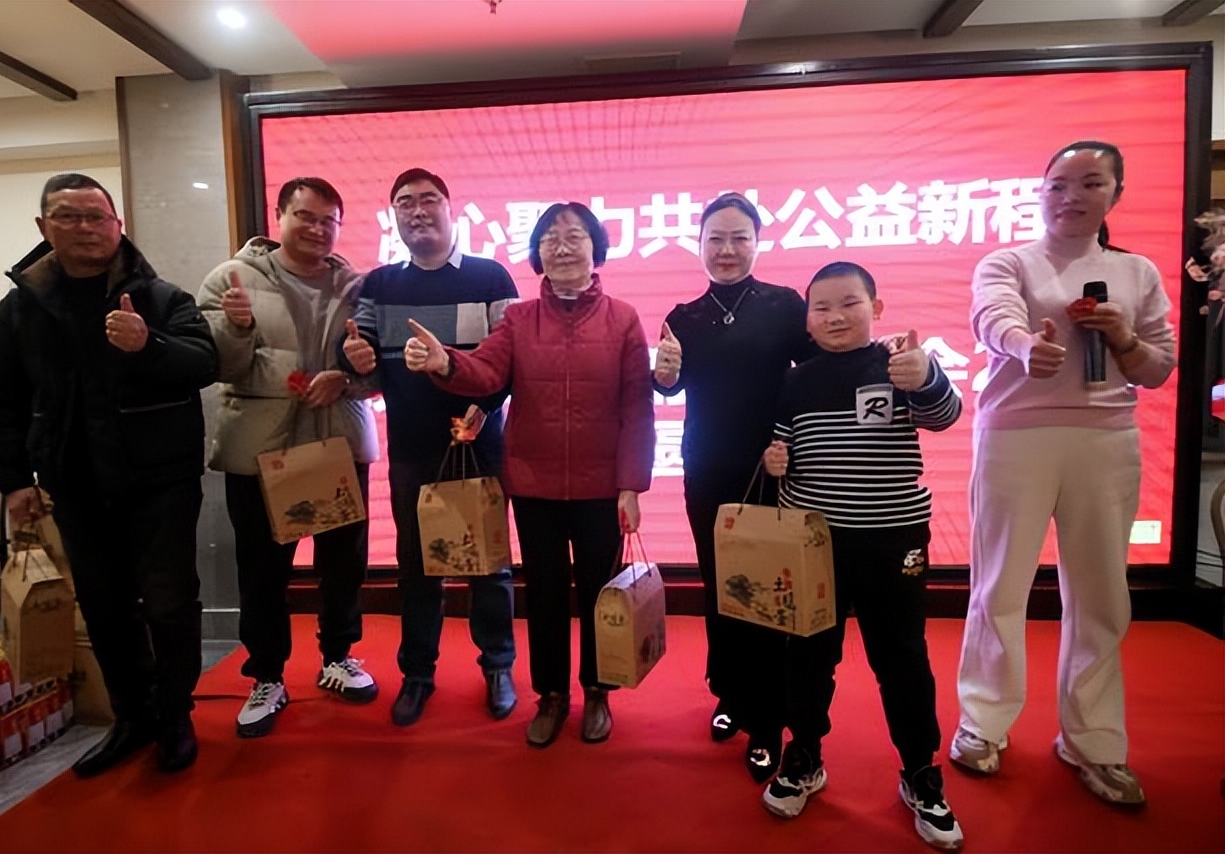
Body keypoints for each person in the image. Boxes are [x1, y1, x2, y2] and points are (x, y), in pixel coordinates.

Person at [952, 141, 1176, 807]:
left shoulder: (1135, 272)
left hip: (1106, 440)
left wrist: (1123, 337)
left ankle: (1093, 741)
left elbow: (1158, 367)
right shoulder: (1009, 261)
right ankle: (983, 721)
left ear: (1116, 194)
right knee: (999, 586)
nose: (1071, 196)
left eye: (1091, 183)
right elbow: (992, 316)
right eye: (1058, 184)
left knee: (1101, 594)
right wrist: (1025, 346)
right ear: (1041, 192)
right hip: (1015, 438)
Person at [0, 173, 216, 776]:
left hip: (160, 483)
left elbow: (205, 363)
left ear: (118, 224)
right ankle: (131, 717)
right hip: (74, 482)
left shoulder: (161, 297)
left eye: (96, 217)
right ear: (44, 227)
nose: (85, 228)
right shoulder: (21, 308)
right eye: (69, 216)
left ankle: (175, 715)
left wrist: (148, 345)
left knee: (169, 604)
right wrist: (15, 479)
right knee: (105, 608)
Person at [402, 202, 656, 748]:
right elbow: (486, 370)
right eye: (550, 239)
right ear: (537, 253)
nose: (562, 248)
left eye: (574, 236)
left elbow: (638, 407)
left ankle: (598, 691)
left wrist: (632, 485)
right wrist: (445, 362)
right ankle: (552, 695)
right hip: (534, 483)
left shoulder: (623, 318)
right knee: (543, 593)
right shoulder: (519, 319)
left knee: (599, 594)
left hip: (601, 487)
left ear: (596, 248)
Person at [760, 261, 964, 850]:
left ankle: (920, 771)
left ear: (875, 308)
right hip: (814, 544)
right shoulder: (796, 380)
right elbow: (783, 447)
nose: (834, 317)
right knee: (807, 656)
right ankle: (805, 756)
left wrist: (925, 376)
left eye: (848, 303)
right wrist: (776, 460)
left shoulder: (899, 362)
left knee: (902, 657)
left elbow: (945, 416)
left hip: (893, 540)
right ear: (807, 319)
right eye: (821, 307)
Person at [197, 177, 380, 738]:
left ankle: (338, 657)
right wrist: (238, 327)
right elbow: (215, 365)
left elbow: (381, 371)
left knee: (343, 564)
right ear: (279, 216)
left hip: (337, 444)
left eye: (329, 220)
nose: (317, 229)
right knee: (263, 570)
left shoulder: (359, 287)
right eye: (305, 216)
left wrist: (349, 376)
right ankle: (267, 676)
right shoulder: (232, 279)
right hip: (262, 451)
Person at [340, 168, 518, 727]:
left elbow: (511, 361)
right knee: (417, 568)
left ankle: (498, 666)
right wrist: (355, 359)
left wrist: (483, 409)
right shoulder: (380, 285)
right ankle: (417, 673)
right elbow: (361, 356)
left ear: (450, 208)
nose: (417, 210)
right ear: (393, 215)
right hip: (413, 453)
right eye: (405, 202)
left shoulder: (490, 276)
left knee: (488, 567)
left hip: (478, 446)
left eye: (428, 199)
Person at [654, 192, 818, 780]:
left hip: (772, 470)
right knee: (721, 588)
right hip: (707, 470)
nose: (726, 249)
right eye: (715, 239)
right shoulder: (685, 316)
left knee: (766, 595)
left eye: (739, 238)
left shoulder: (784, 305)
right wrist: (662, 374)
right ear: (699, 245)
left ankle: (767, 721)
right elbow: (669, 385)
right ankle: (729, 691)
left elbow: (814, 375)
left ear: (757, 243)